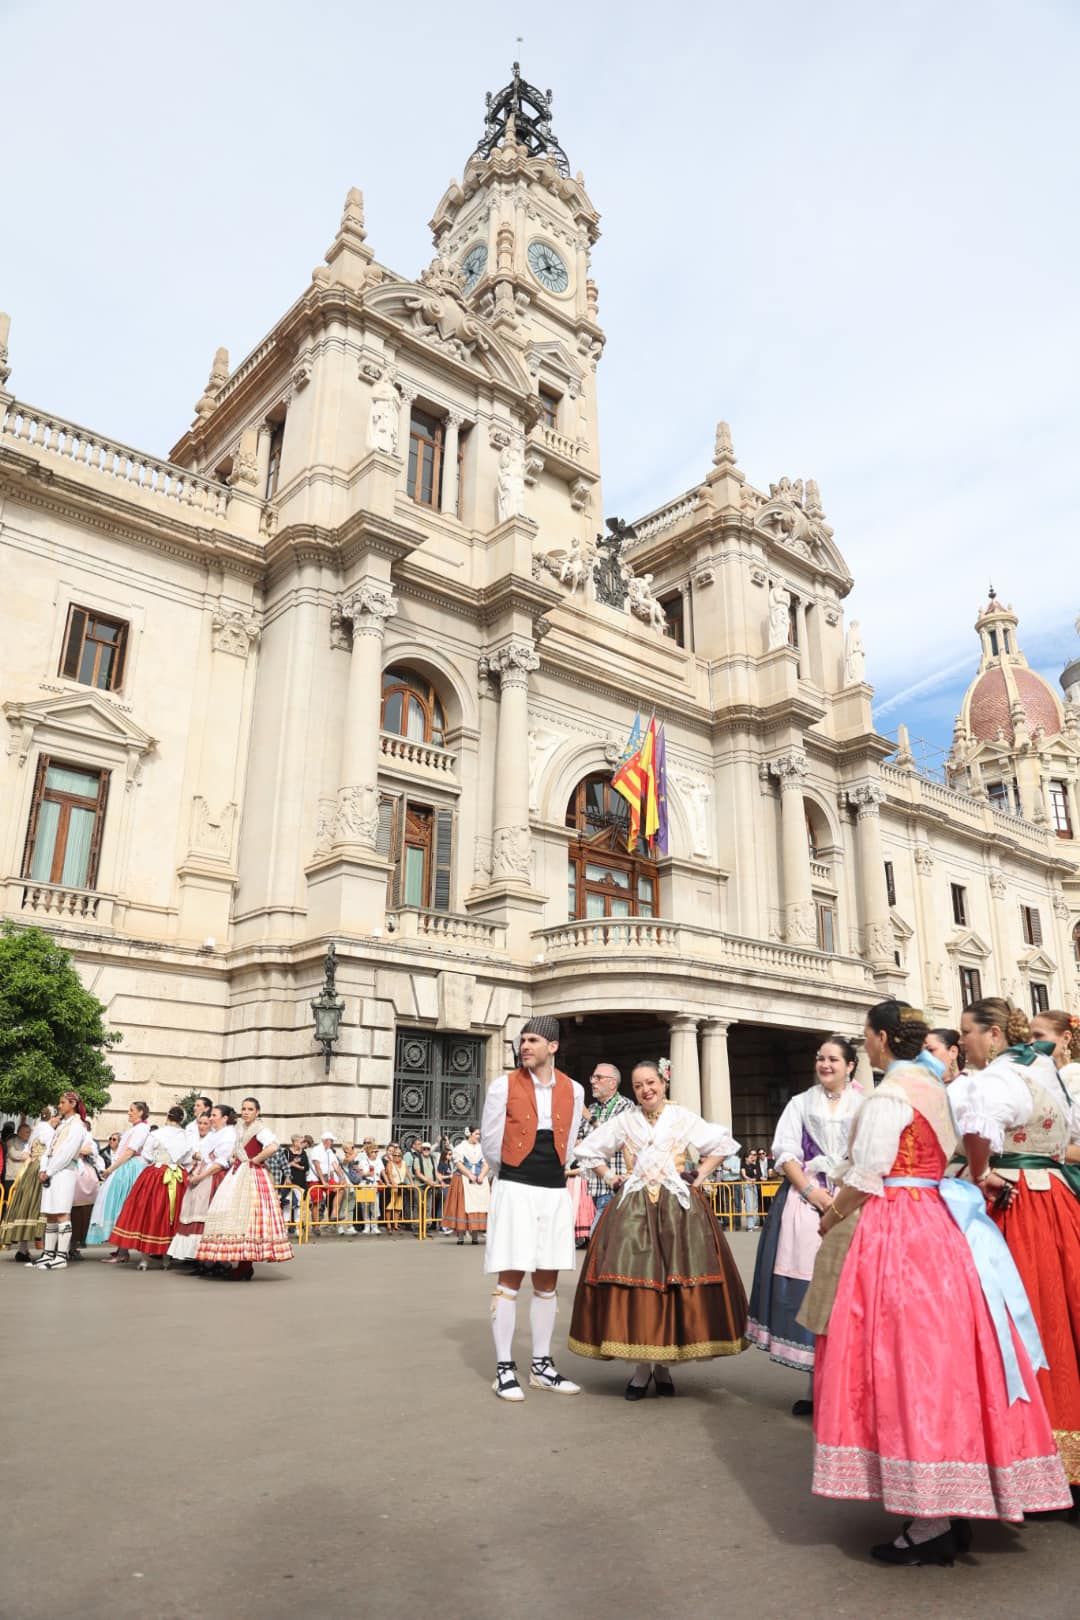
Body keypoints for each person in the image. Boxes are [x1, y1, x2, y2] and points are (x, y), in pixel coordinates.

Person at [802, 1000, 1070, 1565]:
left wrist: (832, 1214)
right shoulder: (938, 1086)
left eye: (868, 1038)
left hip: (896, 1228)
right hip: (941, 1225)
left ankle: (930, 1517)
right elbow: (955, 1156)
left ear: (878, 1041)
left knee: (898, 1361)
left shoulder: (889, 1095)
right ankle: (949, 1502)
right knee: (945, 1359)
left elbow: (868, 1173)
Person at [954, 998, 1080, 1505]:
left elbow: (979, 1128)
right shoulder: (1049, 1071)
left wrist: (980, 1172)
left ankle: (1033, 1454)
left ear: (994, 1036)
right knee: (1063, 1312)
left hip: (1018, 1204)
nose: (963, 1041)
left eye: (968, 1032)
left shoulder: (995, 1079)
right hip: (1058, 1196)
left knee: (1023, 1319)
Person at [568, 1059, 749, 1398]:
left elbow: (722, 1145)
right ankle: (640, 1370)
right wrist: (610, 1177)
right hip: (634, 1207)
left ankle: (664, 1366)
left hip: (678, 1208)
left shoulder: (682, 1118)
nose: (645, 1090)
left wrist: (701, 1175)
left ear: (663, 1082)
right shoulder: (625, 1120)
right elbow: (588, 1150)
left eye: (650, 1082)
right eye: (638, 1086)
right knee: (639, 1287)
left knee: (672, 1284)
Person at [746, 1036, 861, 1414]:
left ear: (850, 1066)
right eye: (820, 1058)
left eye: (833, 1059)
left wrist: (843, 1196)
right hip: (805, 1199)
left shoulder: (865, 1103)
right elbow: (786, 1152)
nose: (825, 1064)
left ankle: (852, 1390)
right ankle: (817, 1389)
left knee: (852, 1292)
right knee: (813, 1291)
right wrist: (814, 1192)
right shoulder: (800, 1103)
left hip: (855, 1200)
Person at [481, 1016, 585, 1402]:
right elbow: (491, 1143)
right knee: (509, 1278)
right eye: (522, 1040)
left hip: (553, 1189)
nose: (525, 1047)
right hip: (515, 1184)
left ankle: (541, 1366)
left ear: (553, 1047)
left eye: (533, 1040)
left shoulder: (573, 1090)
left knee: (547, 1281)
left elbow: (570, 1141)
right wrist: (509, 1174)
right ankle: (504, 1368)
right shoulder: (502, 1086)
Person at [196, 1096, 293, 1280]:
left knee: (249, 1217)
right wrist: (235, 1156)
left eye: (250, 1109)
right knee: (235, 1215)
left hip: (252, 1174)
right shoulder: (240, 1127)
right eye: (244, 1109)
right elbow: (236, 1146)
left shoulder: (260, 1129)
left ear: (257, 1112)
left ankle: (245, 1265)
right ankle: (239, 1263)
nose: (246, 1112)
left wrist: (256, 1160)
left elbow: (273, 1146)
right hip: (238, 1171)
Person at [109, 1105, 193, 1269]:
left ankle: (144, 1259)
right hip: (177, 1175)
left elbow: (147, 1155)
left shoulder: (156, 1134)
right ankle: (166, 1258)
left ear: (167, 1117)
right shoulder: (186, 1137)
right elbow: (188, 1159)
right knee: (172, 1214)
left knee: (148, 1213)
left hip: (156, 1174)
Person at [30, 1092, 90, 1271]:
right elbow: (50, 1148)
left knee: (63, 1213)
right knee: (50, 1213)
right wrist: (43, 1168)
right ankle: (48, 1253)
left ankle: (61, 1256)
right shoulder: (63, 1124)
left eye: (63, 1102)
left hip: (64, 1172)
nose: (59, 1105)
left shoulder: (78, 1126)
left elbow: (67, 1153)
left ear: (72, 1104)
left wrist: (49, 1170)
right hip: (52, 1171)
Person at [168, 1106, 234, 1268]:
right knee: (194, 1215)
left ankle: (218, 1262)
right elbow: (203, 1157)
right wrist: (195, 1172)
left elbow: (221, 1161)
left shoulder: (229, 1134)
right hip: (202, 1175)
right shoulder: (213, 1134)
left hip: (215, 1178)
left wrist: (201, 1176)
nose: (211, 1118)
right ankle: (203, 1260)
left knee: (210, 1218)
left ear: (225, 1118)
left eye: (214, 1115)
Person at [574, 1062, 634, 1230]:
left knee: (597, 1240)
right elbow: (579, 1143)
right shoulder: (592, 1108)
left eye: (598, 1077)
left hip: (615, 1187)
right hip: (592, 1189)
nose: (593, 1081)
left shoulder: (626, 1106)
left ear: (612, 1083)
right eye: (592, 1077)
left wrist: (589, 1118)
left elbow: (613, 1138)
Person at [87, 1101, 152, 1253]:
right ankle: (121, 1249)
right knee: (118, 1205)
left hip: (131, 1168)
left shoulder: (142, 1128)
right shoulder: (136, 1128)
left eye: (132, 1110)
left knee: (122, 1205)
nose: (129, 1113)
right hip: (125, 1167)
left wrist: (110, 1169)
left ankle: (123, 1251)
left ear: (141, 1112)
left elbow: (130, 1151)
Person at [1, 1108, 56, 1262]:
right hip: (42, 1169)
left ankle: (23, 1249)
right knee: (42, 1209)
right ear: (52, 1117)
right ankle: (48, 1250)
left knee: (26, 1207)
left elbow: (27, 1151)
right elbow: (51, 1151)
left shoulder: (36, 1129)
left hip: (30, 1169)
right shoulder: (50, 1131)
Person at [443, 1128, 489, 1245]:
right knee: (463, 1207)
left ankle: (475, 1235)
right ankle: (461, 1236)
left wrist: (482, 1175)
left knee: (479, 1205)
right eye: (476, 1134)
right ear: (470, 1134)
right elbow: (458, 1163)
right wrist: (469, 1174)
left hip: (479, 1180)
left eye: (479, 1134)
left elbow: (486, 1163)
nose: (478, 1136)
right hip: (463, 1179)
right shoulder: (460, 1148)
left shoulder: (483, 1148)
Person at [308, 1130, 352, 1234]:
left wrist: (342, 1177)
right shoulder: (316, 1150)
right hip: (315, 1178)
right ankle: (316, 1226)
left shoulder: (329, 1151)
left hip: (327, 1178)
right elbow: (317, 1165)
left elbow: (335, 1165)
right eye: (331, 1140)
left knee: (341, 1188)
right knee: (316, 1202)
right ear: (326, 1140)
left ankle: (334, 1213)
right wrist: (323, 1181)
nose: (332, 1142)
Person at [380, 1142, 412, 1232]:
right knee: (389, 1207)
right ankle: (389, 1224)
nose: (396, 1157)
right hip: (393, 1188)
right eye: (394, 1155)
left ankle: (396, 1224)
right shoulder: (390, 1164)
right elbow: (389, 1175)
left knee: (398, 1207)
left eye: (398, 1155)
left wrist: (411, 1183)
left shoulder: (404, 1163)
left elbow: (408, 1173)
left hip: (401, 1187)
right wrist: (394, 1184)